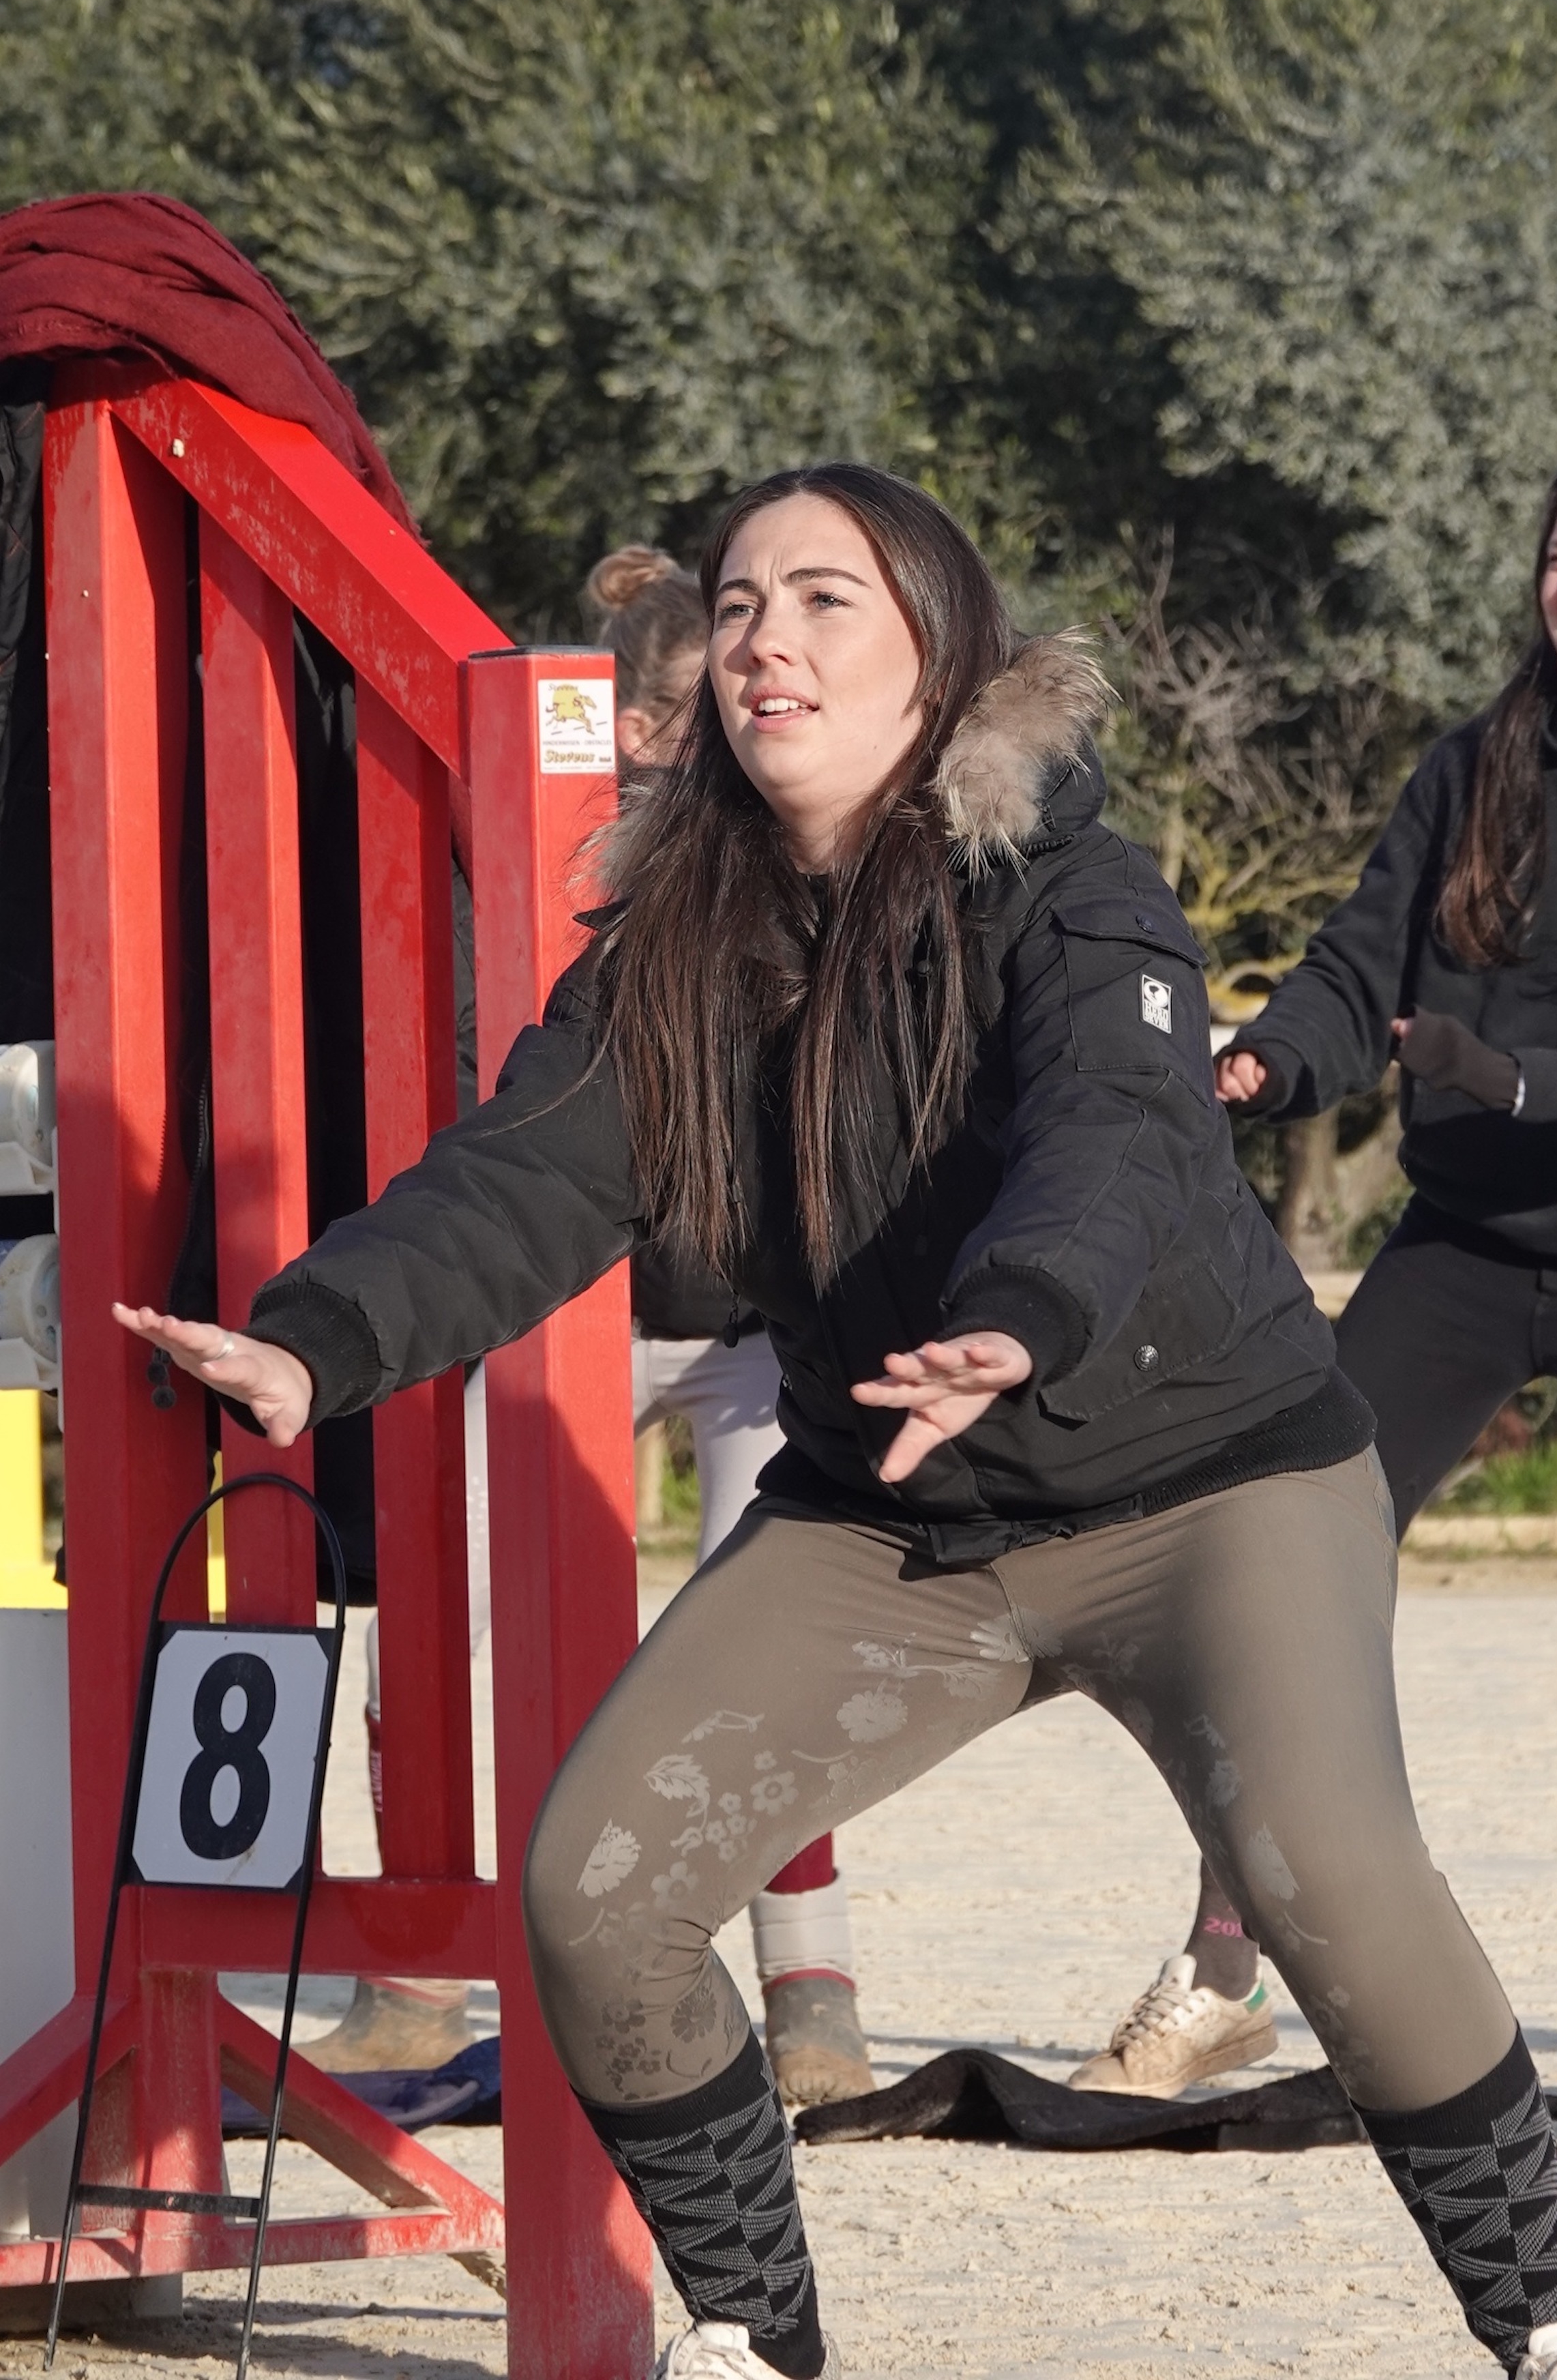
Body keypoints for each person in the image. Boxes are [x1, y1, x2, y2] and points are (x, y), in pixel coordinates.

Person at [117, 463, 1557, 2380]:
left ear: (938, 655)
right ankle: (758, 2340)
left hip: (1212, 1489)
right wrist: (315, 1341)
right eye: (738, 604)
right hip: (898, 1519)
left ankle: (1555, 2331)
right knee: (596, 1892)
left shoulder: (1080, 892)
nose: (766, 638)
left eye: (823, 600)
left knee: (1329, 1885)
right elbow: (522, 1177)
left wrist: (1017, 1321)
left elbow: (1118, 1138)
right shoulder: (674, 939)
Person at [1075, 427, 1557, 2128]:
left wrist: (1517, 1079)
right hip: (1468, 1255)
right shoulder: (1475, 769)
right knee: (1287, 1575)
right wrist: (1272, 1061)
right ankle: (1222, 1974)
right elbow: (1360, 972)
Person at [595, 543, 874, 2107]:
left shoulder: (804, 846)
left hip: (758, 1326)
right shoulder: (560, 858)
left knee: (765, 1651)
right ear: (640, 729)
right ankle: (415, 1979)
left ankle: (810, 1982)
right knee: (463, 1612)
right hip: (575, 1311)